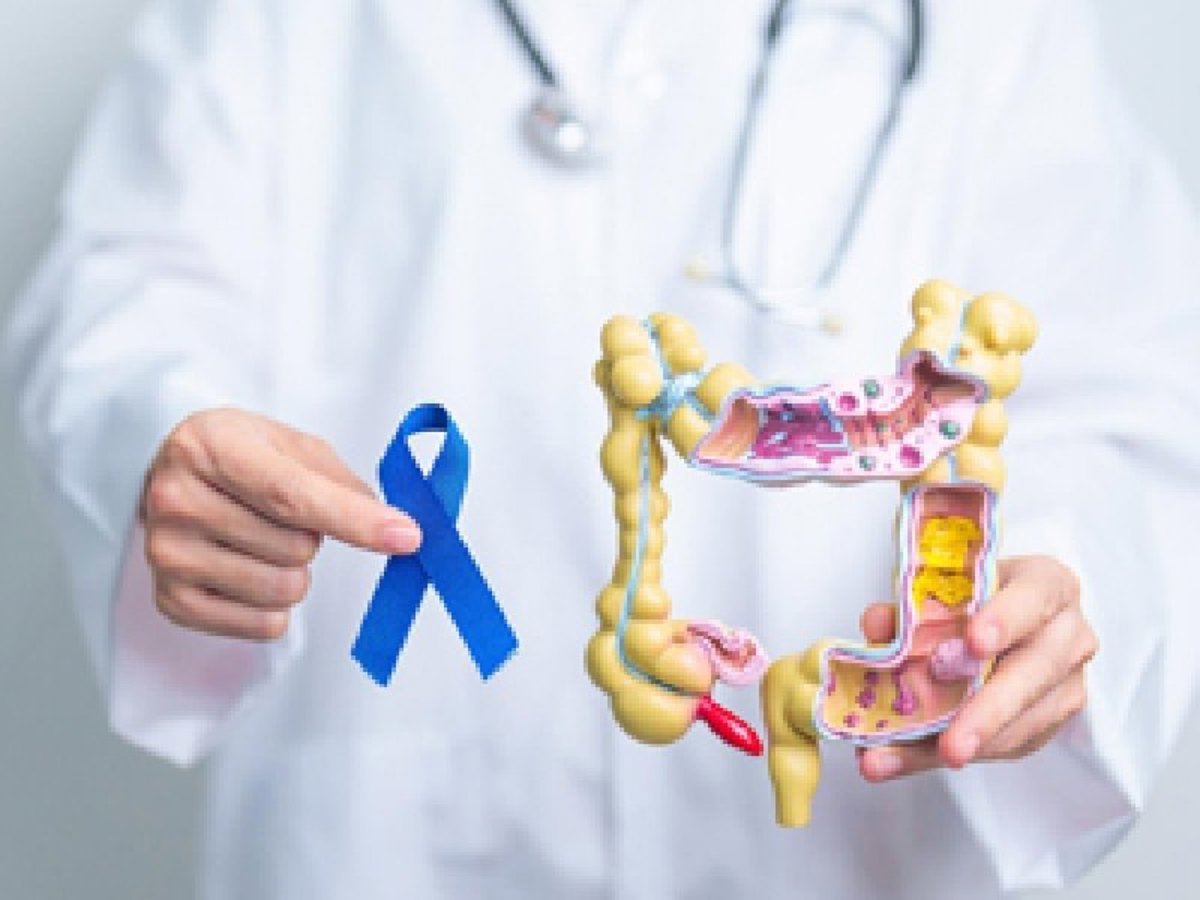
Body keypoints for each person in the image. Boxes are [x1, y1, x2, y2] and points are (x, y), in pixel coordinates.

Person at [6, 0, 1199, 897]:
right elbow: (133, 297)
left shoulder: (995, 28)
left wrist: (1067, 584)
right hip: (387, 831)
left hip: (847, 849)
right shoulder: (281, 21)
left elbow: (1126, 389)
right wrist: (159, 441)